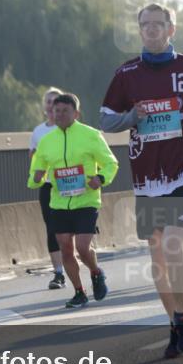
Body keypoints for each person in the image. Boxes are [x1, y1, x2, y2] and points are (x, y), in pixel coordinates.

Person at [100, 3, 183, 358]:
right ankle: (175, 324)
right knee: (157, 254)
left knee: (173, 245)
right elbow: (106, 121)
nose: (151, 29)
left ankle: (182, 316)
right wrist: (132, 116)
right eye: (145, 24)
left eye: (159, 24)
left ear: (172, 29)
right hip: (147, 174)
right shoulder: (127, 74)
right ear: (139, 30)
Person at [29, 93, 118, 308]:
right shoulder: (47, 140)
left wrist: (101, 178)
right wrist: (37, 177)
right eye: (56, 111)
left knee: (83, 247)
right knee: (65, 248)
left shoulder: (91, 135)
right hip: (59, 202)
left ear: (76, 113)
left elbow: (111, 163)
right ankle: (79, 292)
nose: (59, 115)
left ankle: (96, 273)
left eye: (64, 111)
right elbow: (36, 170)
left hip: (86, 200)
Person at [30, 88, 67, 289]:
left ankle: (75, 261)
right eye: (48, 102)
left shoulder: (70, 128)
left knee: (69, 231)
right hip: (48, 186)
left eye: (55, 101)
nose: (52, 106)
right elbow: (34, 159)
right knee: (52, 229)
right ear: (45, 107)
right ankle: (59, 273)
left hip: (70, 185)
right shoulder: (38, 132)